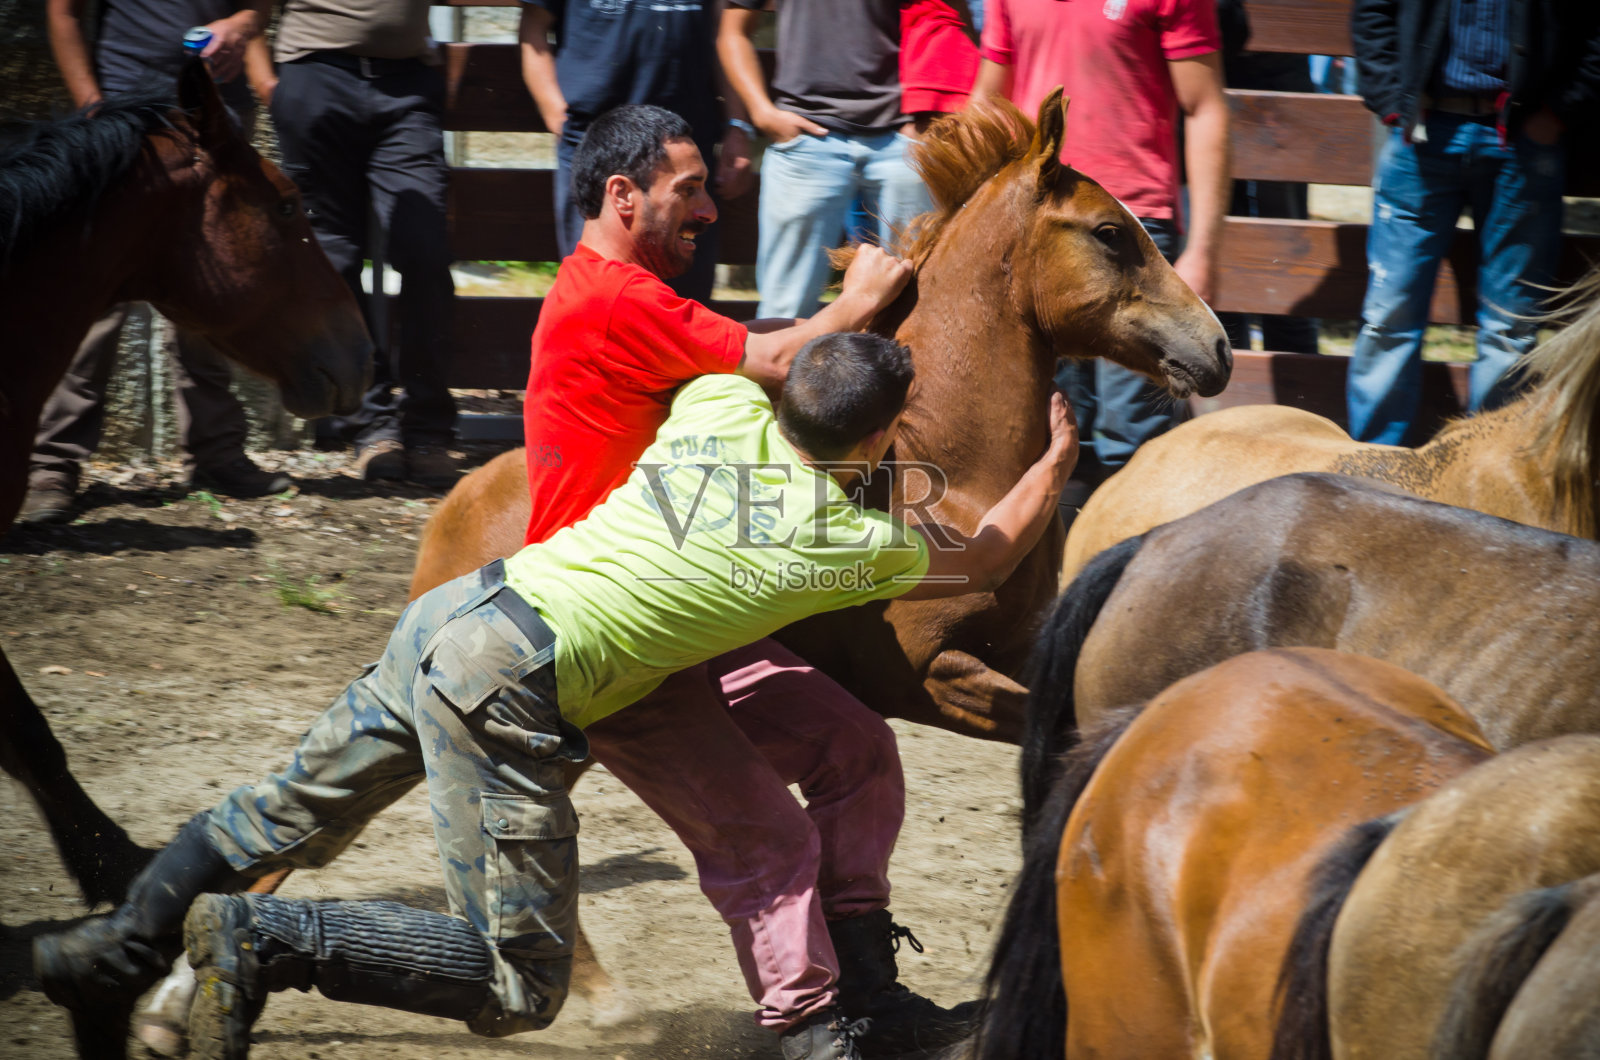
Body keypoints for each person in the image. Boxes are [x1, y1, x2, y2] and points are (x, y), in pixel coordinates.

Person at [33, 330, 1080, 1060]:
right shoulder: (841, 539)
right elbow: (985, 555)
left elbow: (784, 382)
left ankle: (116, 946)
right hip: (513, 686)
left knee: (276, 812)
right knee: (515, 984)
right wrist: (1055, 457)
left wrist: (845, 349)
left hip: (458, 612)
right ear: (877, 442)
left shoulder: (717, 408)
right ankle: (264, 940)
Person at [519, 104, 972, 1058]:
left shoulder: (635, 296)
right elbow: (772, 360)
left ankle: (869, 993)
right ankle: (807, 1031)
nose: (711, 211)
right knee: (768, 841)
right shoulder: (611, 294)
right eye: (691, 190)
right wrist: (871, 293)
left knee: (857, 749)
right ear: (621, 194)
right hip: (617, 634)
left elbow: (757, 364)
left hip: (684, 613)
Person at [21, 0, 284, 525]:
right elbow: (64, 11)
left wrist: (241, 25)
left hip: (218, 117)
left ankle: (216, 452)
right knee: (97, 293)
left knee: (215, 278)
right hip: (128, 116)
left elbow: (260, 7)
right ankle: (52, 465)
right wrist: (93, 110)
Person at [972, 0, 1230, 493]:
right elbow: (988, 102)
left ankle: (1126, 564)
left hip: (1131, 232)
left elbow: (1205, 106)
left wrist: (1203, 247)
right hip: (1040, 227)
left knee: (1132, 436)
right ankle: (1064, 566)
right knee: (1045, 432)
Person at [1346, 0, 1600, 445]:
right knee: (1389, 316)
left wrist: (1557, 113)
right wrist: (1393, 103)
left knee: (1510, 326)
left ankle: (1488, 474)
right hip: (1423, 134)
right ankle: (1376, 472)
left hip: (1523, 137)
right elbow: (1371, 13)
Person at [256, 0, 458, 486]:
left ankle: (428, 425)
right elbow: (251, 11)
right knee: (336, 259)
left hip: (406, 84)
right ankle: (373, 425)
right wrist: (271, 86)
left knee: (425, 250)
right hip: (316, 77)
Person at [515, 0, 752, 303]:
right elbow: (532, 27)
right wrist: (555, 112)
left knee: (682, 295)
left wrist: (737, 126)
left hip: (686, 149)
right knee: (596, 291)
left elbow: (726, 30)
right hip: (596, 145)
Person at [718, 0, 933, 319]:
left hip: (901, 144)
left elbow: (954, 20)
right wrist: (761, 111)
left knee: (916, 303)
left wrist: (928, 117)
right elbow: (732, 31)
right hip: (806, 144)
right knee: (783, 310)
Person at [1213, 0, 1319, 356]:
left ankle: (1296, 380)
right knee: (1226, 242)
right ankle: (1230, 365)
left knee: (1284, 249)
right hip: (1218, 83)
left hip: (1277, 92)